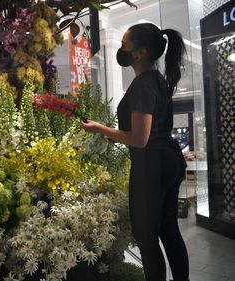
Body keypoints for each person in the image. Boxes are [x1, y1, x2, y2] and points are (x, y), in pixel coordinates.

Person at [81, 23, 189, 281]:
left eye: (124, 44)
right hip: (168, 159)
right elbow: (143, 134)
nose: (121, 49)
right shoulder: (157, 80)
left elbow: (140, 139)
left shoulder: (142, 85)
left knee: (146, 235)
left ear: (140, 53)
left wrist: (99, 128)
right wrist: (114, 136)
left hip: (151, 165)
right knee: (168, 229)